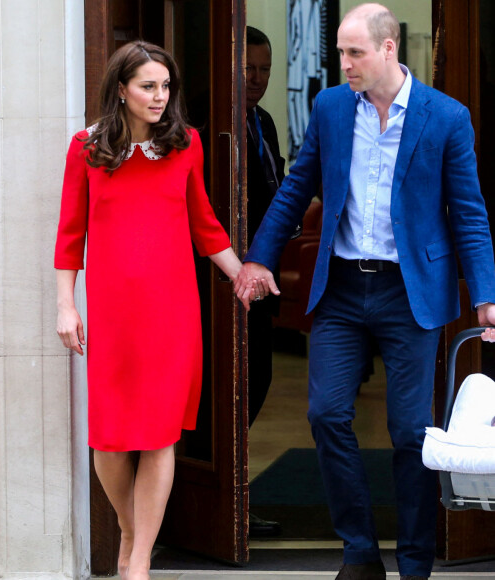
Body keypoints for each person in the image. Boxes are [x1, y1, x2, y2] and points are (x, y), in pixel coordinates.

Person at [235, 4, 495, 579]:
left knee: (408, 431)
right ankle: (358, 552)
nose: (345, 64)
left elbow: (470, 215)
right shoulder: (331, 107)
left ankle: (414, 561)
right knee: (326, 414)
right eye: (341, 54)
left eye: (354, 53)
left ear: (387, 48)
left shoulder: (446, 117)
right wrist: (258, 259)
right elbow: (295, 187)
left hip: (411, 294)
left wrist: (486, 295)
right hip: (343, 290)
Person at [54, 41, 251, 580]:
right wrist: (66, 306)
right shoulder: (85, 149)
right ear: (121, 89)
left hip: (172, 310)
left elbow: (204, 223)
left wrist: (242, 273)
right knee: (112, 441)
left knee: (161, 435)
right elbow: (71, 235)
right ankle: (130, 529)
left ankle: (137, 562)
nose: (160, 96)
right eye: (148, 86)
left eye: (166, 86)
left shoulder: (185, 145)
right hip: (114, 314)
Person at [245, 26, 287, 537]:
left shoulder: (265, 121)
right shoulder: (208, 122)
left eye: (264, 71)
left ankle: (235, 498)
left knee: (260, 379)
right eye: (247, 69)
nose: (256, 80)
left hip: (265, 275)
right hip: (222, 277)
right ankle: (221, 505)